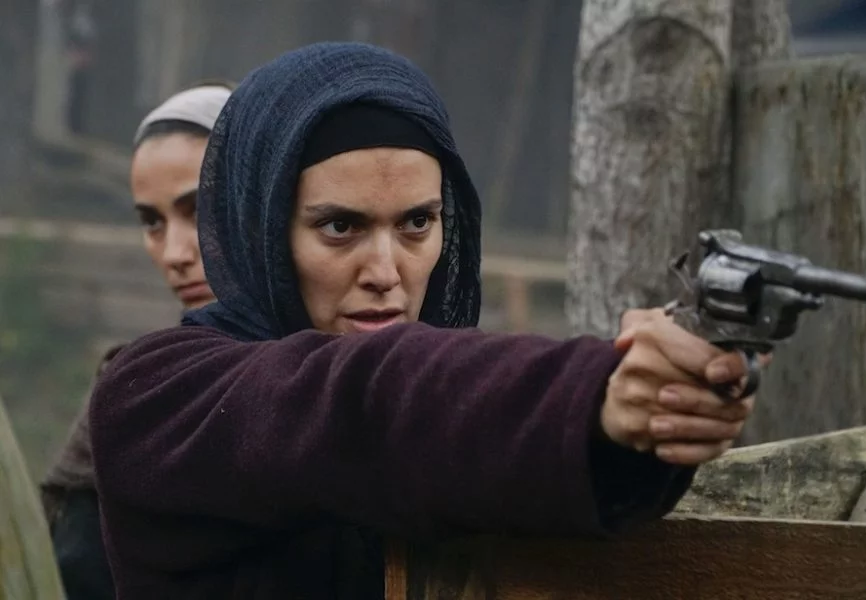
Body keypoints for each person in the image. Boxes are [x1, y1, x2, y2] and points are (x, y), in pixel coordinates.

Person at [89, 42, 757, 600]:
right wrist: (590, 393)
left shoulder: (445, 412)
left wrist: (644, 417)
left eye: (417, 222)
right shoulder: (155, 395)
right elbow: (363, 403)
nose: (386, 270)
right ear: (260, 229)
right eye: (340, 227)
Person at [40, 81, 233, 600]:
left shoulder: (336, 371)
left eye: (198, 210)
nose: (174, 253)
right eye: (152, 222)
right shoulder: (138, 388)